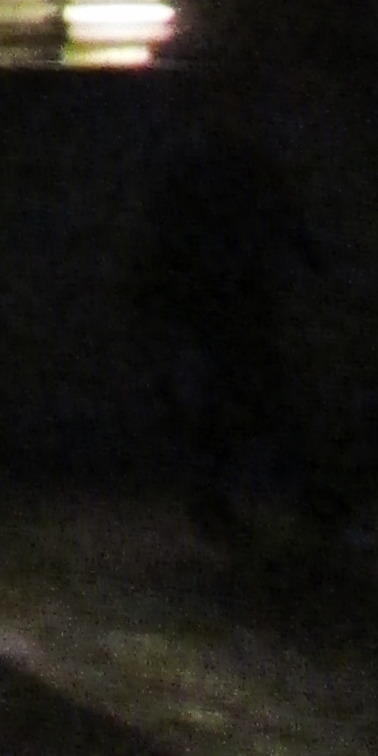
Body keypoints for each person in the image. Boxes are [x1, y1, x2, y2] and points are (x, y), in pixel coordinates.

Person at [126, 119, 335, 538]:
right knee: (257, 397)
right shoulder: (238, 167)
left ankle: (232, 498)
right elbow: (281, 215)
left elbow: (163, 234)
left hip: (222, 299)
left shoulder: (199, 168)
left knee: (237, 400)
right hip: (233, 299)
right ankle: (297, 495)